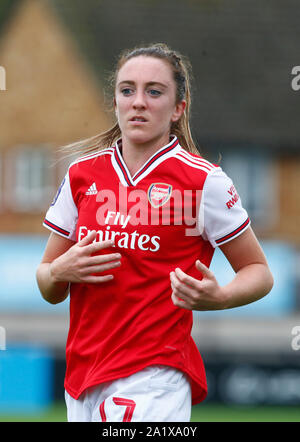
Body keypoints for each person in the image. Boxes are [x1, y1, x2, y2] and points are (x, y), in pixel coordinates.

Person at [36, 43, 273, 422]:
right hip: (81, 376)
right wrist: (58, 272)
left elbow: (259, 271)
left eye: (154, 91)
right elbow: (47, 282)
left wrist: (221, 296)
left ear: (179, 108)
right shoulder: (82, 175)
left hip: (154, 375)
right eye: (127, 90)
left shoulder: (203, 181)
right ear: (115, 102)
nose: (138, 102)